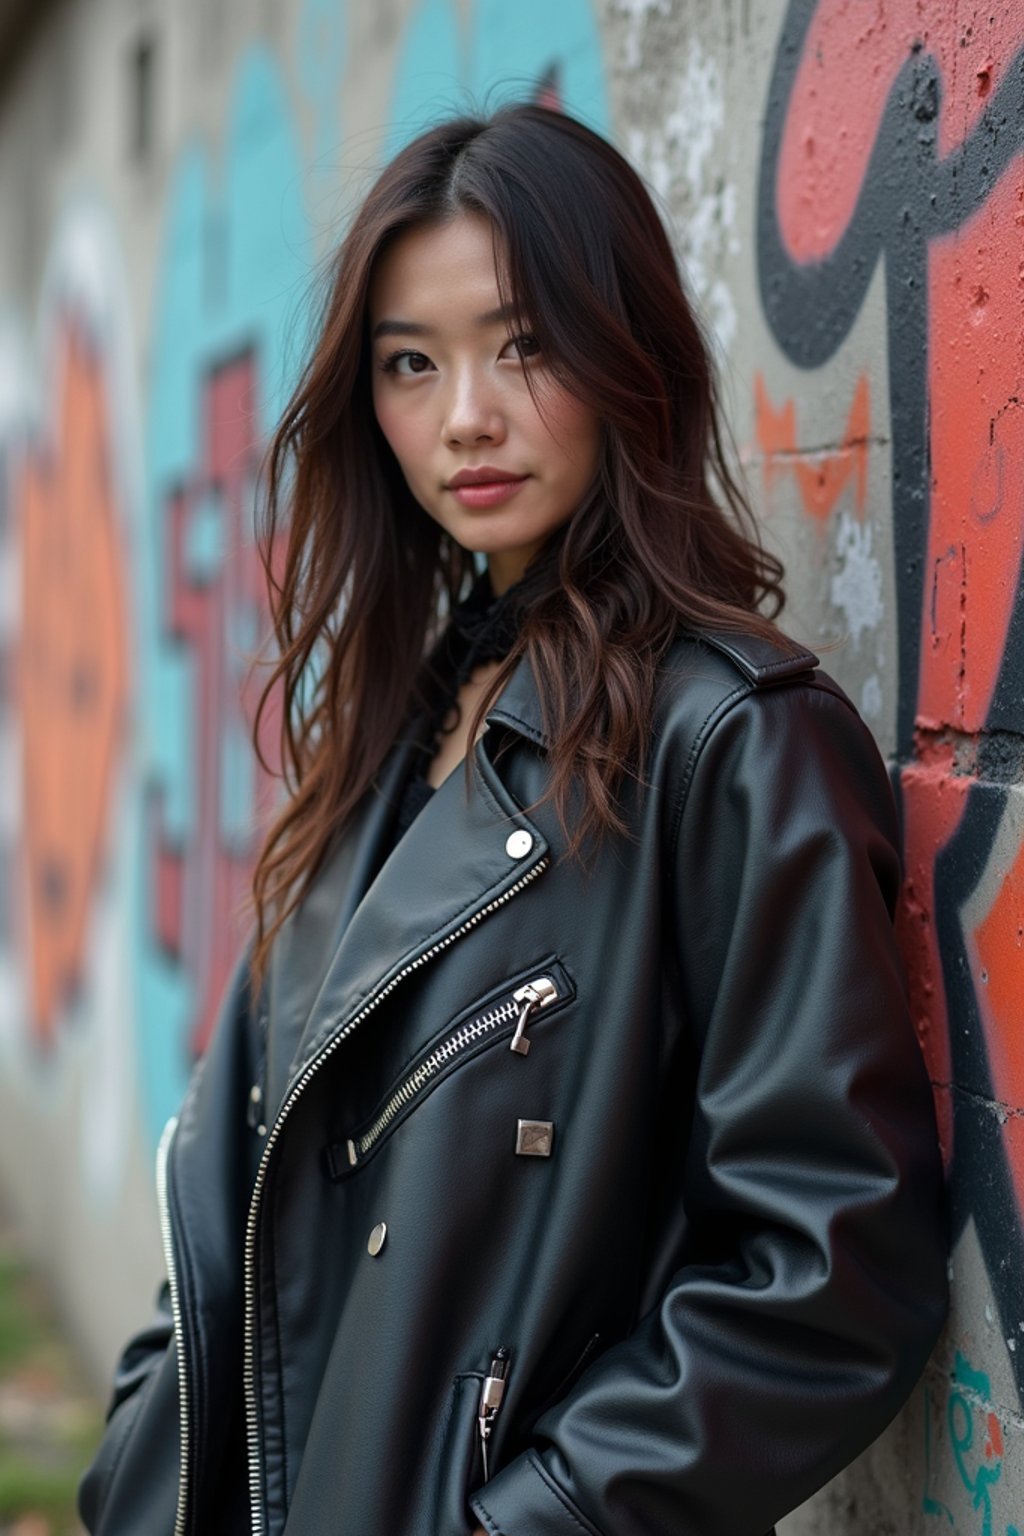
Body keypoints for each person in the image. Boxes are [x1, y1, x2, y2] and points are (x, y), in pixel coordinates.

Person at [79, 103, 948, 1536]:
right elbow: (244, 1184)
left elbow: (829, 1267)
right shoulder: (392, 728)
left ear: (627, 356)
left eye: (524, 343)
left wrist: (523, 1524)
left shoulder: (730, 742)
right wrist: (143, 1452)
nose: (464, 415)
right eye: (410, 364)